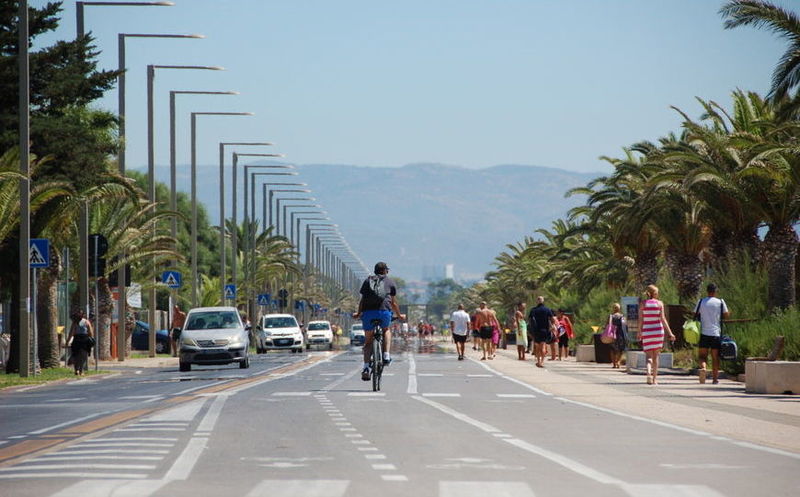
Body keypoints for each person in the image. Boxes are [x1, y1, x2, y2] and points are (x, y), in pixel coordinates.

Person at [352, 262, 406, 381]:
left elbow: (362, 300)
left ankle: (366, 367)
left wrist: (358, 313)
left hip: (368, 313)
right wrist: (399, 315)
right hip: (384, 312)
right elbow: (393, 303)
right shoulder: (390, 282)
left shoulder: (367, 281)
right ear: (385, 271)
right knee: (386, 330)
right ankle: (386, 355)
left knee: (368, 343)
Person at [639, 285, 676, 385]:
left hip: (647, 331)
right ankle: (655, 379)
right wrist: (670, 333)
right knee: (656, 356)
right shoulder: (659, 304)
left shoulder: (643, 304)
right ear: (655, 293)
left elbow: (641, 320)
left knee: (648, 356)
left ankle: (648, 373)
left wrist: (639, 332)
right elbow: (663, 319)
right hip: (658, 332)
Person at [695, 283, 730, 385]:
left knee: (702, 356)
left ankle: (703, 368)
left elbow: (695, 314)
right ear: (716, 291)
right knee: (715, 357)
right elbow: (726, 315)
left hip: (704, 333)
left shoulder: (701, 301)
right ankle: (715, 379)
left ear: (707, 291)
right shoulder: (720, 302)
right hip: (715, 333)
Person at [528, 296, 557, 368]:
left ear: (537, 301)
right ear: (543, 301)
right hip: (545, 330)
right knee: (543, 346)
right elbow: (552, 319)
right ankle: (542, 361)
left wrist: (530, 330)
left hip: (536, 330)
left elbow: (530, 320)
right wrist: (552, 326)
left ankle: (538, 361)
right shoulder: (547, 310)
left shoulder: (533, 310)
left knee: (537, 347)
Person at [67, 310, 94, 376]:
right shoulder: (86, 322)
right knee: (83, 356)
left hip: (76, 339)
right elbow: (90, 332)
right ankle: (81, 370)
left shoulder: (75, 323)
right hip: (85, 339)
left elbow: (71, 333)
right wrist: (91, 339)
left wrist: (67, 341)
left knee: (76, 355)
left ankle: (76, 370)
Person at [606, 303, 627, 369]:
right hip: (619, 333)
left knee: (612, 349)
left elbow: (607, 324)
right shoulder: (622, 316)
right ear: (619, 309)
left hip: (612, 334)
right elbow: (625, 324)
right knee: (620, 349)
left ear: (613, 308)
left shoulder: (611, 316)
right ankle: (618, 361)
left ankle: (614, 364)